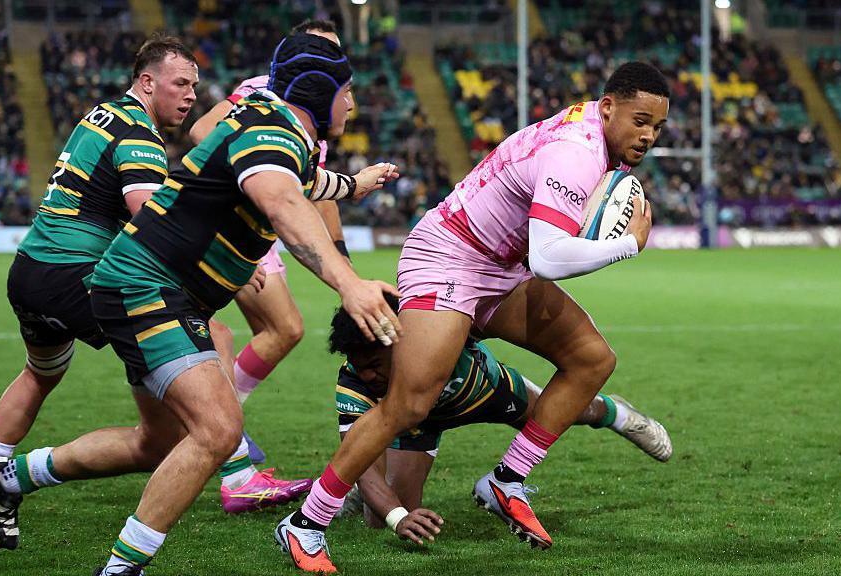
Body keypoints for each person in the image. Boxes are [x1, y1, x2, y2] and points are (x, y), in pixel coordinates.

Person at [0, 32, 400, 575]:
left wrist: (354, 185)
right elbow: (283, 201)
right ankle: (124, 567)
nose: (352, 104)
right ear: (320, 93)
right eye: (346, 91)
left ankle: (7, 479)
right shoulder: (272, 133)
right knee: (217, 428)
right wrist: (348, 283)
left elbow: (306, 181)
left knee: (158, 444)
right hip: (147, 287)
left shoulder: (273, 128)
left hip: (154, 288)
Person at [276, 61, 670, 572]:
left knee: (592, 359)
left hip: (500, 266)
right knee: (409, 404)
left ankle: (506, 482)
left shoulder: (597, 137)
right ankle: (305, 523)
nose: (649, 135)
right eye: (640, 121)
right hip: (450, 257)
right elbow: (548, 258)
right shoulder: (576, 152)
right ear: (609, 107)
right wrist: (627, 245)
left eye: (657, 126)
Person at [0, 35, 198, 510]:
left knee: (41, 372)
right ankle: (237, 468)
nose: (191, 95)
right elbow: (148, 218)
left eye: (194, 86)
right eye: (181, 84)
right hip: (76, 274)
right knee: (201, 331)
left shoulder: (103, 114)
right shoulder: (139, 133)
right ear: (148, 83)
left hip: (29, 272)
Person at [185, 19, 400, 513]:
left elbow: (311, 186)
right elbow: (202, 132)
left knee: (274, 331)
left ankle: (223, 437)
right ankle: (226, 439)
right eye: (324, 52)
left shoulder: (313, 115)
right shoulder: (265, 92)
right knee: (264, 330)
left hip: (258, 225)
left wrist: (344, 264)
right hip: (242, 221)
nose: (336, 68)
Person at [327, 295, 671, 545]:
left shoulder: (435, 328)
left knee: (568, 411)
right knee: (381, 520)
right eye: (360, 365)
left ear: (398, 341)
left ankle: (617, 414)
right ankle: (362, 494)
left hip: (489, 392)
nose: (367, 374)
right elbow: (358, 461)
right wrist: (398, 516)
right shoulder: (354, 382)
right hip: (417, 425)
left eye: (374, 364)